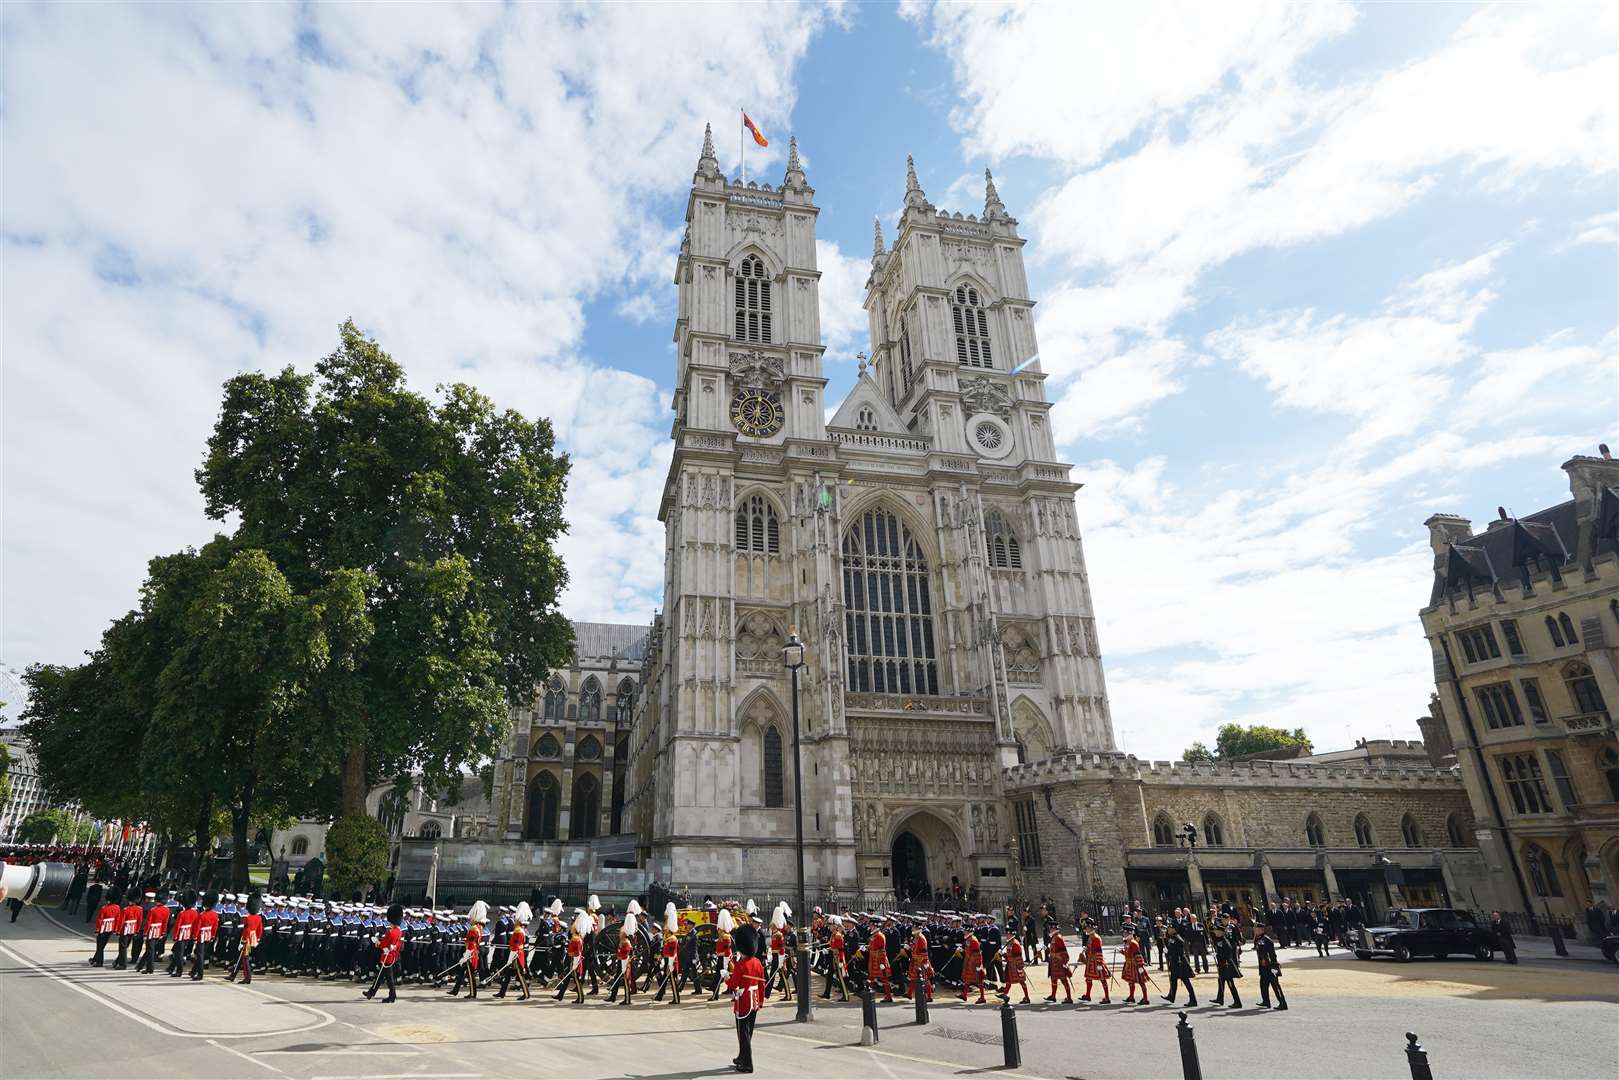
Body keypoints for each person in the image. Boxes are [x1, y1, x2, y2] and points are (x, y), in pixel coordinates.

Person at [728, 925, 765, 1075]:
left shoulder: (741, 965)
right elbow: (762, 983)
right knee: (748, 1032)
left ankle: (747, 1064)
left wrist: (725, 976)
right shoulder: (757, 962)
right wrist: (761, 1001)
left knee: (743, 1033)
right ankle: (741, 1057)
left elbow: (733, 984)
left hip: (743, 1001)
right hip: (755, 1000)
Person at [364, 903, 405, 1003]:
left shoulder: (390, 932)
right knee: (380, 976)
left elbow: (383, 945)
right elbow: (398, 944)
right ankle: (371, 992)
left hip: (387, 957)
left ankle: (392, 996)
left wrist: (376, 942)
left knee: (389, 978)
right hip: (392, 955)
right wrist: (393, 947)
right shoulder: (399, 931)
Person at [449, 900, 487, 998]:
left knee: (470, 975)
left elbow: (471, 944)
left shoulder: (474, 928)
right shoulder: (478, 927)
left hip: (470, 954)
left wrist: (465, 956)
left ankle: (473, 993)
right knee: (462, 972)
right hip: (472, 952)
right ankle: (455, 990)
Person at [555, 908, 592, 1003]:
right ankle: (560, 995)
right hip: (572, 959)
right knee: (567, 977)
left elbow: (577, 951)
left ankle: (581, 998)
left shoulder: (577, 938)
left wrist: (574, 963)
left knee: (576, 979)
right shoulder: (577, 935)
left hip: (574, 960)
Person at [607, 900, 640, 1004]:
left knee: (625, 978)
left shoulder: (627, 937)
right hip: (622, 956)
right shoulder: (630, 920)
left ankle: (627, 999)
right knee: (617, 976)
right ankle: (613, 996)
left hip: (625, 957)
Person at [230, 892, 264, 984]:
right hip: (253, 939)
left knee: (245, 958)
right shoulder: (259, 918)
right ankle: (233, 975)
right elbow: (260, 930)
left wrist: (244, 940)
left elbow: (246, 931)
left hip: (247, 939)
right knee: (241, 957)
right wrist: (257, 939)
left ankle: (247, 977)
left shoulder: (248, 918)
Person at [1252, 924, 1286, 1011]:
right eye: (1254, 929)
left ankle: (1282, 1003)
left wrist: (1274, 965)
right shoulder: (1257, 939)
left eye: (1256, 929)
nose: (1255, 930)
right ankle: (1266, 1001)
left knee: (1275, 986)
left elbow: (1272, 954)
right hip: (1263, 967)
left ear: (1262, 930)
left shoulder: (1267, 940)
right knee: (1263, 985)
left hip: (1270, 966)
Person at [654, 902, 683, 1003]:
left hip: (671, 962)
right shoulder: (669, 937)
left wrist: (669, 965)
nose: (664, 929)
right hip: (668, 961)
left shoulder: (672, 939)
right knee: (666, 979)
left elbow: (672, 954)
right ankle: (659, 996)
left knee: (673, 981)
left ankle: (676, 998)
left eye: (666, 929)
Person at [1162, 924, 1197, 1007]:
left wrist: (1168, 952)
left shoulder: (1177, 938)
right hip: (1175, 963)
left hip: (1180, 963)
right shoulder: (1172, 937)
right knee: (1173, 980)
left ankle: (1193, 1000)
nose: (1168, 930)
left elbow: (1178, 951)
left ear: (1174, 929)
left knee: (1186, 981)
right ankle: (1171, 996)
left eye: (1170, 929)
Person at [138, 894, 172, 974]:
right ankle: (140, 965)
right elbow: (165, 922)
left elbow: (148, 922)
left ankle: (150, 968)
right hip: (160, 931)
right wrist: (163, 932)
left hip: (151, 931)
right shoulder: (167, 910)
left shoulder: (153, 910)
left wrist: (145, 933)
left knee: (150, 950)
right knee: (151, 949)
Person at [190, 894, 220, 980]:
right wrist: (213, 936)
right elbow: (215, 927)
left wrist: (195, 937)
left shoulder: (202, 914)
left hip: (201, 936)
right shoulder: (215, 914)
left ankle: (200, 974)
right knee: (201, 954)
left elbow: (197, 927)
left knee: (199, 955)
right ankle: (193, 971)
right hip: (209, 935)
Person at [1081, 919, 1111, 1003]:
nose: (1086, 929)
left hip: (1096, 961)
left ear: (1091, 928)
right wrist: (1086, 949)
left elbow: (1099, 951)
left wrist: (1099, 962)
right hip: (1090, 960)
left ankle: (1107, 997)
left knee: (1102, 979)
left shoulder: (1096, 938)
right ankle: (1087, 995)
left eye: (1087, 928)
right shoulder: (1091, 937)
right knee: (1088, 979)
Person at [821, 914, 850, 1001]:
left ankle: (846, 996)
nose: (829, 927)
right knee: (829, 975)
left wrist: (830, 950)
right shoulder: (833, 934)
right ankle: (827, 993)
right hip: (834, 958)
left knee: (841, 977)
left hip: (839, 958)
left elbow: (840, 948)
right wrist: (828, 949)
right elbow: (833, 945)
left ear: (835, 925)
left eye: (830, 925)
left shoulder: (838, 935)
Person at [1211, 926, 1242, 1008]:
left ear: (1221, 932)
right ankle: (1220, 998)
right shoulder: (1219, 940)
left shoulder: (1225, 941)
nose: (1215, 932)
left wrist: (1217, 955)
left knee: (1230, 984)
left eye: (1217, 931)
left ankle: (1237, 1002)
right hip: (1222, 965)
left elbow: (1227, 954)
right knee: (1221, 981)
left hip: (1227, 965)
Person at [864, 916, 893, 1001]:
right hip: (873, 959)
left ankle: (888, 996)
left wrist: (882, 963)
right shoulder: (874, 935)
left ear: (874, 926)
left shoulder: (880, 936)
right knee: (871, 977)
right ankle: (869, 993)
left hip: (879, 960)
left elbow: (881, 950)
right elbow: (873, 947)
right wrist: (867, 948)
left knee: (884, 978)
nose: (870, 927)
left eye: (871, 925)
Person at [91, 888, 122, 967]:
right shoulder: (117, 907)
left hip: (103, 928)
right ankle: (95, 959)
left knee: (100, 946)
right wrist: (116, 929)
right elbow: (118, 919)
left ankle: (99, 962)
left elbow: (100, 920)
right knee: (102, 944)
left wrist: (97, 930)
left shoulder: (104, 908)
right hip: (111, 928)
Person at [711, 902, 736, 1000]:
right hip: (722, 958)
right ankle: (715, 994)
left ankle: (735, 993)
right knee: (719, 976)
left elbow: (726, 950)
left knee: (726, 977)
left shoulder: (725, 936)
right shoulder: (722, 935)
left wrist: (726, 962)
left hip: (725, 959)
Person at [957, 921, 986, 1004]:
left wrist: (978, 964)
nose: (963, 932)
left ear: (968, 931)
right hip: (969, 962)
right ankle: (964, 995)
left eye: (965, 930)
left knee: (979, 980)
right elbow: (968, 951)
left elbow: (977, 953)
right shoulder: (968, 939)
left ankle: (982, 997)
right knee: (968, 979)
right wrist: (962, 950)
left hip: (975, 963)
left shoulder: (973, 940)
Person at [1120, 927, 1150, 1004]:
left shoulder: (1133, 943)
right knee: (1130, 981)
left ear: (1129, 933)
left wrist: (1140, 965)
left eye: (1125, 933)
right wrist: (1122, 952)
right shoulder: (1128, 942)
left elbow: (1138, 955)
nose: (1123, 934)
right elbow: (1128, 954)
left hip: (1135, 965)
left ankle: (1145, 998)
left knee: (1141, 981)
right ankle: (1131, 997)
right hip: (1129, 964)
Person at [999, 932, 1031, 1003]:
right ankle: (1005, 994)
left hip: (1016, 965)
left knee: (1021, 981)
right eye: (1006, 934)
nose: (1007, 936)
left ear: (1012, 935)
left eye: (1008, 934)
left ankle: (1027, 997)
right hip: (1010, 965)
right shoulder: (1009, 943)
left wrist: (1019, 966)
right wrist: (1003, 954)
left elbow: (1018, 956)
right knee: (1008, 981)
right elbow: (1009, 955)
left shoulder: (1015, 943)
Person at [1044, 923, 1073, 1003]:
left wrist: (1065, 961)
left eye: (1050, 928)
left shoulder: (1058, 938)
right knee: (1053, 979)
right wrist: (1048, 949)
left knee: (1064, 980)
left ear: (1053, 928)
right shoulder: (1054, 937)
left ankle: (1069, 997)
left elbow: (1063, 951)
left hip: (1059, 962)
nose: (1049, 930)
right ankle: (1053, 996)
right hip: (1054, 962)